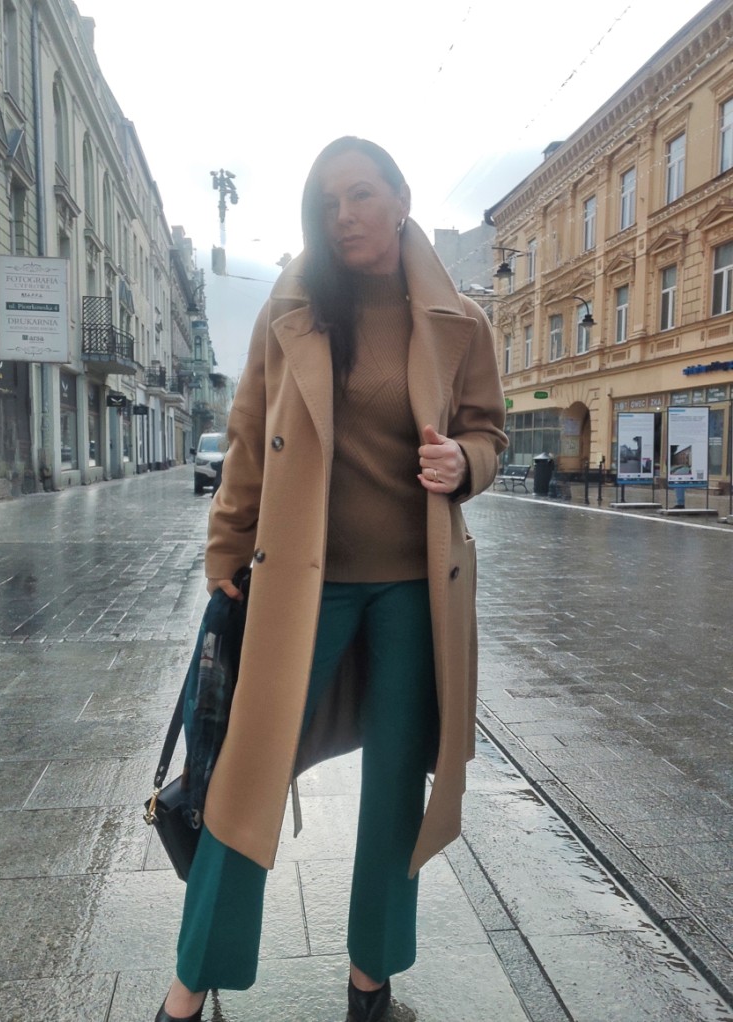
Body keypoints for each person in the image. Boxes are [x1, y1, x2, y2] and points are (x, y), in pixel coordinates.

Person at [156, 136, 507, 1022]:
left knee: (396, 789)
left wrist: (466, 462)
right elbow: (248, 437)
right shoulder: (295, 306)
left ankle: (370, 986)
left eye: (359, 195)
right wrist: (226, 549)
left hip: (416, 592)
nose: (342, 215)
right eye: (327, 201)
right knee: (245, 778)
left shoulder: (461, 320)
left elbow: (489, 432)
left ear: (400, 197)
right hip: (301, 587)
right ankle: (187, 992)